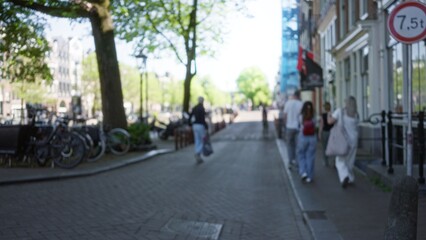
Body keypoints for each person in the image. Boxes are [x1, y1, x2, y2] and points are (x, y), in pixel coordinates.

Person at [328, 96, 359, 188]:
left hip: (343, 140)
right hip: (354, 140)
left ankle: (344, 176)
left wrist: (329, 114)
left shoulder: (340, 111)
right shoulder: (356, 114)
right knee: (350, 160)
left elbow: (330, 122)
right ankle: (350, 178)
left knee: (340, 160)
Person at [297, 101, 317, 183]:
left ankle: (303, 172)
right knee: (310, 157)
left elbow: (299, 125)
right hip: (312, 137)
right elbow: (316, 125)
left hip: (303, 137)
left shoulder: (301, 116)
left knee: (301, 155)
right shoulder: (314, 116)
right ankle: (310, 177)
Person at [283, 90, 303, 168]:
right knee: (298, 145)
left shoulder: (288, 103)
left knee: (289, 145)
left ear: (294, 95)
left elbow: (285, 115)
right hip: (298, 127)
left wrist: (285, 125)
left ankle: (291, 161)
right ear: (299, 96)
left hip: (289, 127)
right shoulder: (301, 104)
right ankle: (297, 162)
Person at [189, 96, 208, 164]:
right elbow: (203, 119)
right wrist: (206, 127)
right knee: (202, 140)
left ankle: (198, 154)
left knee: (197, 140)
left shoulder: (194, 108)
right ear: (202, 101)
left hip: (195, 125)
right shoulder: (201, 108)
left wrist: (190, 124)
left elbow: (190, 116)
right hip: (200, 126)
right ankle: (198, 153)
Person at [318, 102, 334, 167]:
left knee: (325, 147)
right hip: (332, 132)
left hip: (325, 132)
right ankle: (332, 161)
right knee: (332, 147)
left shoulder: (323, 115)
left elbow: (321, 125)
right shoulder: (333, 115)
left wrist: (319, 133)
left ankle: (326, 162)